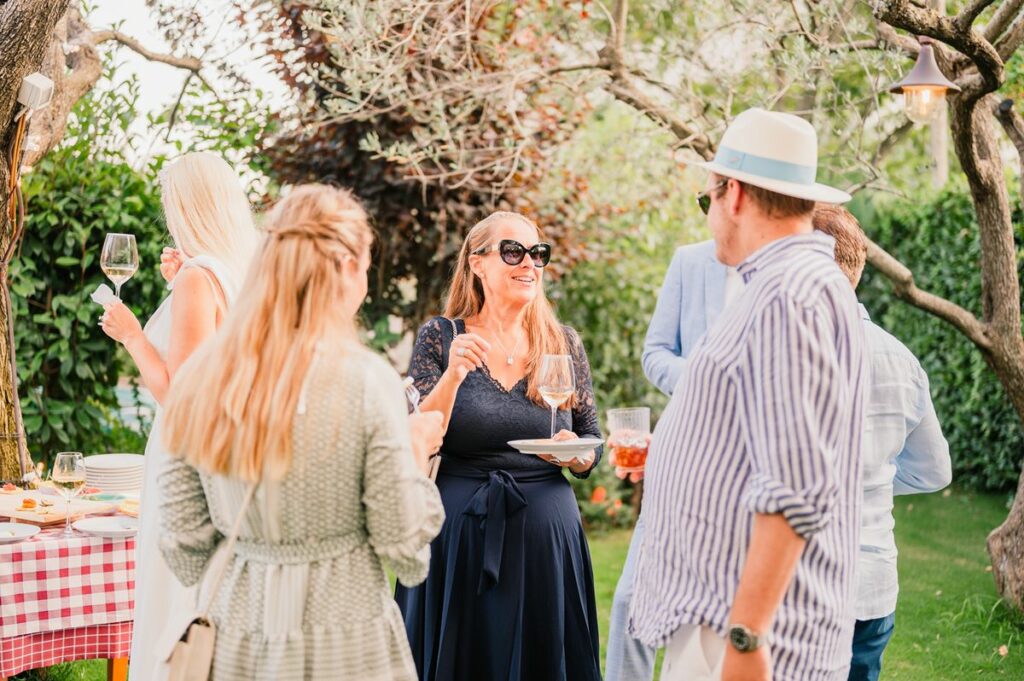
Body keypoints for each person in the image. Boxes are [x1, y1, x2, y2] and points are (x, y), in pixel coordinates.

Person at [157, 184, 446, 680]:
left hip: (239, 640)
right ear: (351, 267)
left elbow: (183, 545)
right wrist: (417, 451)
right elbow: (406, 549)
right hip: (347, 639)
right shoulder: (366, 381)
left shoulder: (201, 376)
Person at [629, 107, 868, 681]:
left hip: (747, 638)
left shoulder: (787, 297)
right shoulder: (794, 287)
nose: (708, 215)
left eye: (706, 199)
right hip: (732, 624)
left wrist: (746, 636)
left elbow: (795, 487)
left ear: (732, 193)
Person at [395, 211, 604, 681]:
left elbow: (591, 437)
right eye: (513, 251)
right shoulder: (442, 336)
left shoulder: (562, 342)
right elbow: (419, 430)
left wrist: (581, 452)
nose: (528, 263)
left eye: (538, 253)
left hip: (546, 538)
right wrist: (452, 374)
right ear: (478, 263)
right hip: (460, 535)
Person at [99, 151, 260, 681]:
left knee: (175, 608)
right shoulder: (241, 276)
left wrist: (132, 335)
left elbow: (183, 396)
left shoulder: (199, 278)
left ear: (186, 208)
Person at [812, 205, 952, 681]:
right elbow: (935, 472)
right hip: (873, 582)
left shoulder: (788, 351)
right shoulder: (901, 358)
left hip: (802, 585)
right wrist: (870, 483)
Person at [606, 241, 742, 681]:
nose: (713, 208)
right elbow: (655, 352)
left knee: (714, 614)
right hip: (681, 449)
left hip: (746, 465)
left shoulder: (785, 271)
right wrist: (704, 378)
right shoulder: (689, 259)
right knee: (630, 598)